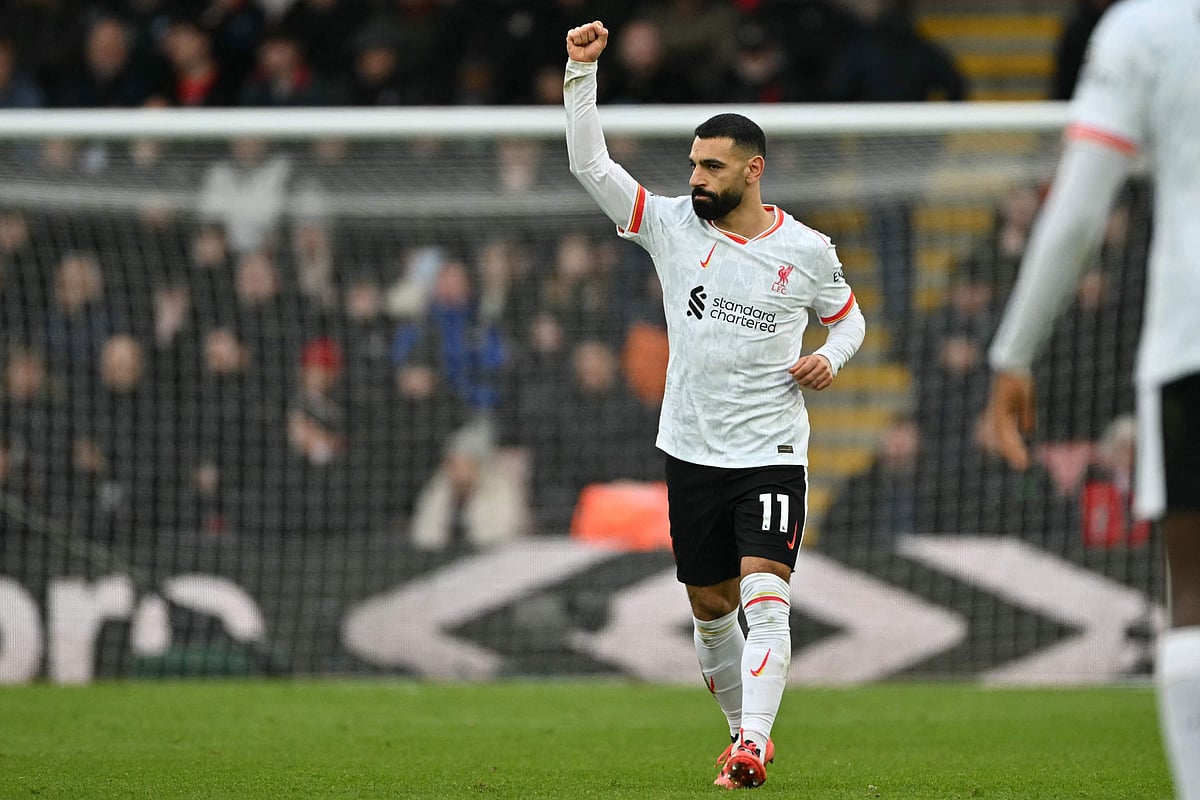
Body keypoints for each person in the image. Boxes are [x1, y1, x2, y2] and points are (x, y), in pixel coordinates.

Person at [564, 20, 866, 790]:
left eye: (712, 166)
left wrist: (830, 357)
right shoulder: (669, 226)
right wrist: (580, 74)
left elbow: (849, 315)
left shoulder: (807, 251)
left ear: (753, 171)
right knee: (709, 608)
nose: (695, 177)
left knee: (766, 591)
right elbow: (590, 164)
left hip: (769, 451)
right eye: (693, 163)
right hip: (692, 448)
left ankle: (754, 744)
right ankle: (740, 732)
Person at [981, 3, 1200, 797]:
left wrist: (1014, 353)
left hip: (1192, 342)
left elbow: (1075, 213)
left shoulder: (1144, 29)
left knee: (1194, 593)